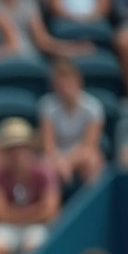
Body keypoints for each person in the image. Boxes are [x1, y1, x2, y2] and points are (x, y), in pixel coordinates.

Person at [0, 119, 61, 254]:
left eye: (21, 148)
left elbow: (50, 211)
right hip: (9, 228)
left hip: (37, 228)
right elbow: (0, 215)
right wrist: (35, 211)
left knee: (33, 246)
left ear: (30, 149)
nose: (17, 154)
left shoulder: (44, 172)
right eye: (12, 149)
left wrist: (16, 214)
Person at [38, 58, 105, 187]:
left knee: (92, 160)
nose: (64, 88)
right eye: (60, 83)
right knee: (45, 165)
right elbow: (48, 145)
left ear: (78, 81)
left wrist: (67, 162)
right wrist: (58, 161)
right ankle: (52, 205)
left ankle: (91, 203)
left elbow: (89, 144)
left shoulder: (93, 107)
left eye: (68, 82)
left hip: (80, 154)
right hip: (56, 155)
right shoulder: (47, 105)